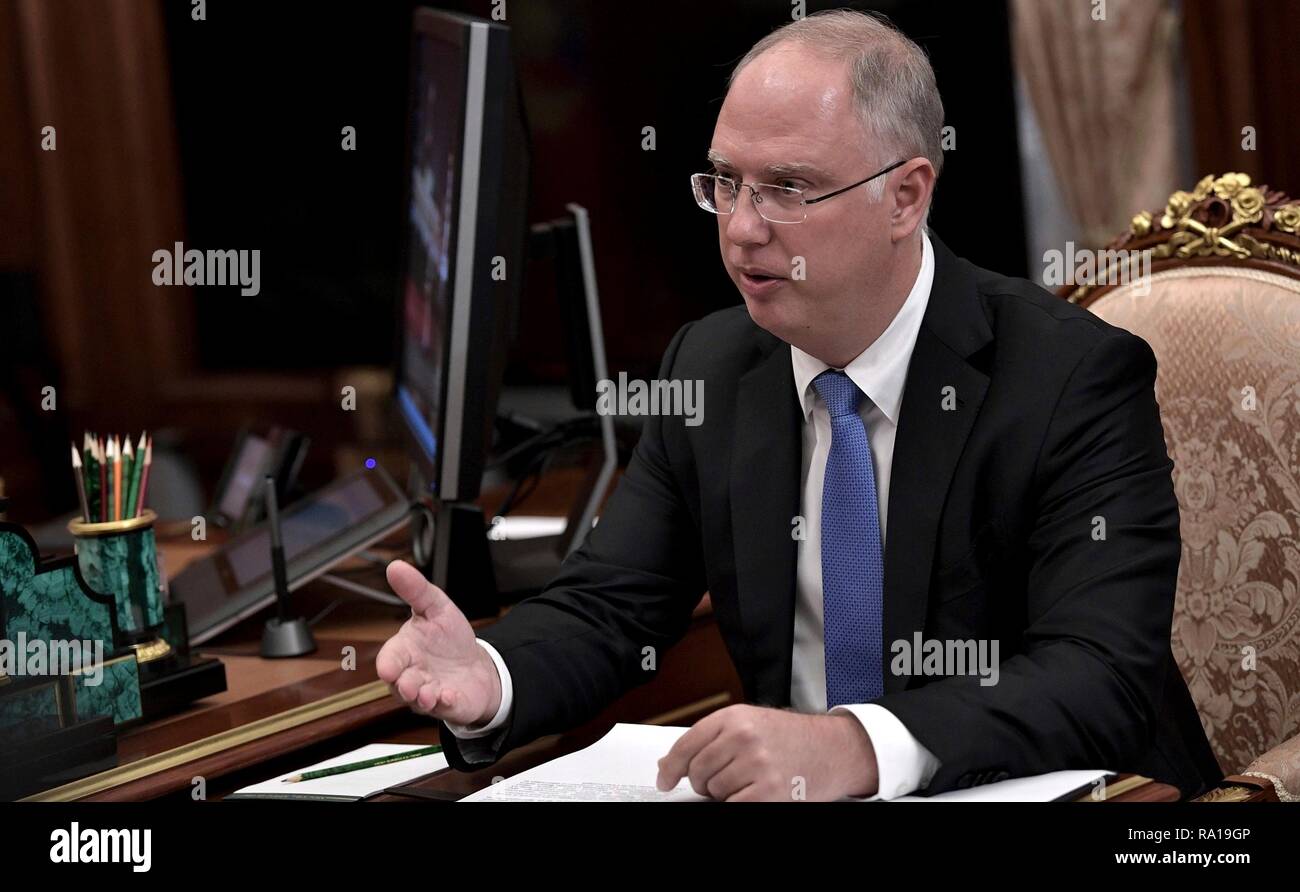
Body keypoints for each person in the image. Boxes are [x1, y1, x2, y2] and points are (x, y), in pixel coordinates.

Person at [377, 9, 1222, 801]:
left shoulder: (1070, 377)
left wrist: (859, 745)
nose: (743, 228)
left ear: (906, 195)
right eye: (725, 183)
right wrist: (493, 676)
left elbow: (1099, 674)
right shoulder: (709, 367)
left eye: (787, 188)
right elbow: (611, 604)